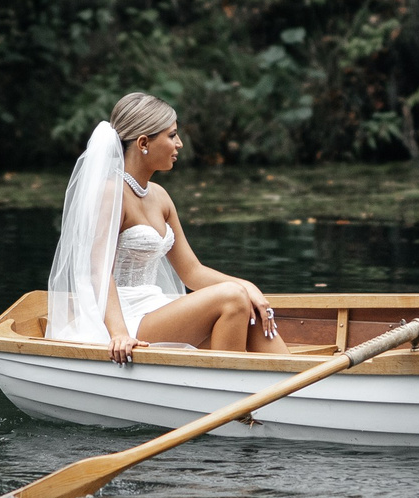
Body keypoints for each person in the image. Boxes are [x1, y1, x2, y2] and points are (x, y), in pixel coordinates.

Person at [48, 92, 290, 364]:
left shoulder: (160, 196)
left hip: (157, 308)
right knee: (232, 297)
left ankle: (299, 380)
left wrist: (248, 286)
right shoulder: (110, 193)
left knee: (251, 310)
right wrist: (119, 334)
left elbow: (192, 272)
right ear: (143, 143)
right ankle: (225, 384)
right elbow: (99, 271)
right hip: (124, 318)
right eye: (172, 135)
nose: (180, 144)